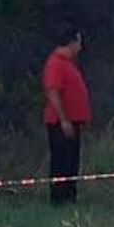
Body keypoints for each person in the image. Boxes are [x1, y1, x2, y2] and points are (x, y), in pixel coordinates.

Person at [42, 29, 92, 206]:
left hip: (72, 121)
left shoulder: (68, 64)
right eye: (78, 42)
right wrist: (64, 119)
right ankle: (59, 199)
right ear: (70, 43)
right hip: (60, 123)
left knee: (71, 161)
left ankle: (70, 196)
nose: (80, 46)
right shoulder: (55, 63)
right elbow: (53, 92)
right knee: (61, 162)